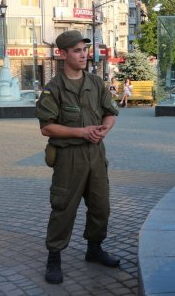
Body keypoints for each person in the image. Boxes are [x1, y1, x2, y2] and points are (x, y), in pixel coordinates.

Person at [35, 30, 120, 285]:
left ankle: (94, 249)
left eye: (85, 50)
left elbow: (110, 112)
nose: (83, 54)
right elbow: (46, 127)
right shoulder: (54, 89)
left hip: (96, 154)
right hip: (69, 158)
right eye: (76, 50)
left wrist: (103, 130)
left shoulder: (95, 83)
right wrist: (81, 132)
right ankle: (54, 258)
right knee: (63, 208)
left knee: (100, 206)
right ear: (63, 54)